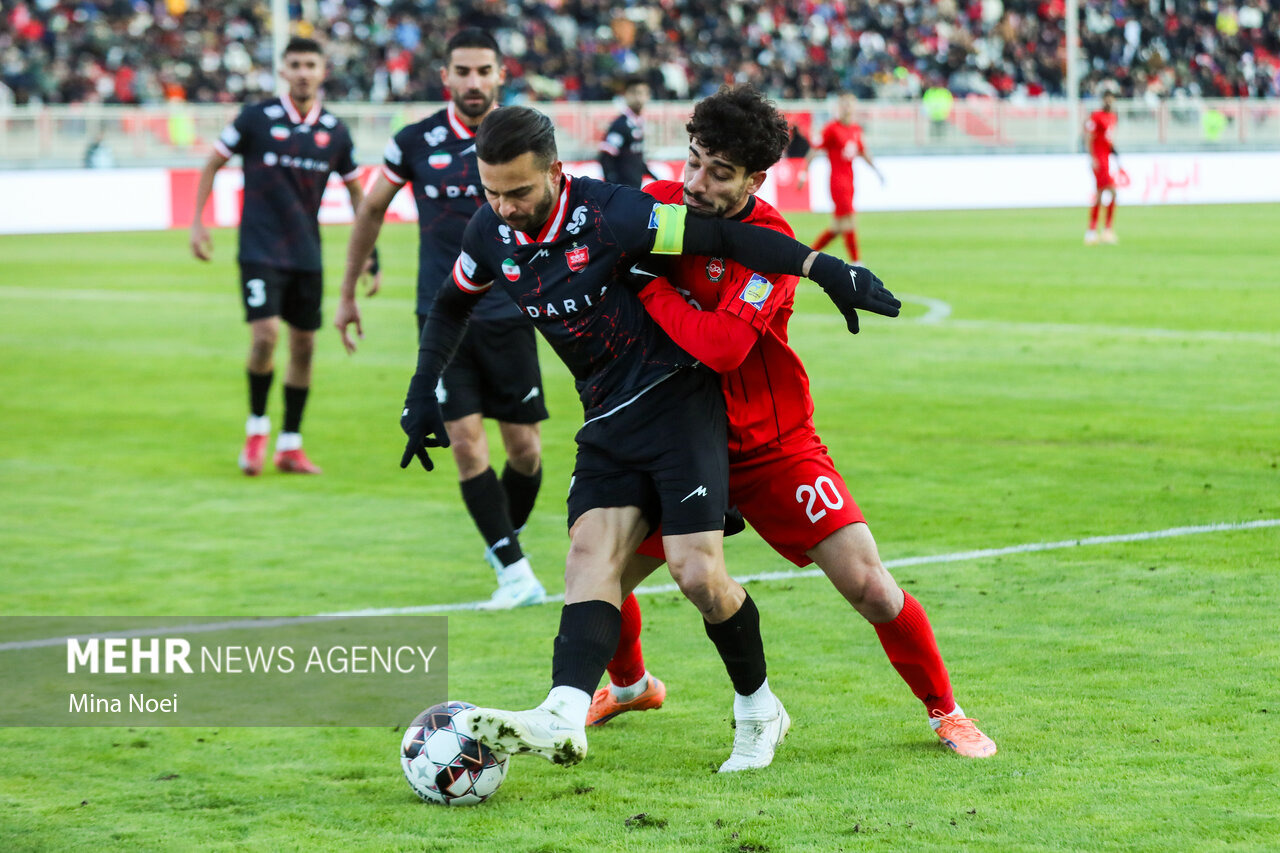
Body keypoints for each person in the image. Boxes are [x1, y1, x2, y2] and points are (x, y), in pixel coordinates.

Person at [398, 106, 901, 773]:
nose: (504, 206)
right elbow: (453, 300)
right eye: (491, 191)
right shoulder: (490, 231)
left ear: (553, 170)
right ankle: (563, 710)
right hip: (606, 416)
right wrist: (422, 388)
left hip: (678, 402)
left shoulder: (613, 214)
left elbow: (725, 240)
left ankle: (758, 707)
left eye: (517, 191)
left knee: (698, 573)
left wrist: (821, 266)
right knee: (587, 555)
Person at [588, 85, 997, 760]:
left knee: (868, 582)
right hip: (678, 443)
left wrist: (647, 283)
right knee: (597, 576)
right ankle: (631, 683)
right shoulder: (659, 206)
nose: (695, 181)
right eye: (692, 160)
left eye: (718, 173)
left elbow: (722, 346)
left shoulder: (769, 241)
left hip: (769, 441)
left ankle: (946, 711)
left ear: (754, 178)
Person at [336, 29, 549, 610]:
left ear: (501, 74)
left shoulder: (525, 138)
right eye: (463, 71)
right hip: (443, 313)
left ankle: (502, 540)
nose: (473, 82)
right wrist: (349, 288)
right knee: (465, 440)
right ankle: (514, 572)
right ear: (445, 78)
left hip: (510, 310)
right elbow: (373, 206)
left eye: (484, 71)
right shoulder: (415, 140)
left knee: (526, 451)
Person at [190, 36, 375, 476]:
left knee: (305, 346)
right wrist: (198, 221)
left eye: (311, 64)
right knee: (265, 336)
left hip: (306, 254)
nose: (304, 72)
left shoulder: (334, 130)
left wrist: (370, 253)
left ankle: (290, 444)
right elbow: (213, 162)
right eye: (295, 64)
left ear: (322, 70)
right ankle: (257, 429)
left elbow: (356, 193)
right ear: (283, 71)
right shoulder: (255, 119)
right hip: (258, 249)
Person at [800, 92, 883, 263]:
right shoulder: (832, 129)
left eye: (850, 104)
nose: (847, 108)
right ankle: (857, 262)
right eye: (844, 104)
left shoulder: (855, 129)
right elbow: (815, 150)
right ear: (839, 107)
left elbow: (863, 152)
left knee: (838, 227)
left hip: (850, 181)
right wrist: (803, 171)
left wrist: (876, 171)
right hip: (838, 182)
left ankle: (806, 256)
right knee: (850, 220)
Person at [597, 75, 656, 188]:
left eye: (643, 93)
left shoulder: (639, 123)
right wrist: (612, 187)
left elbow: (633, 157)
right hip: (623, 190)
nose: (639, 98)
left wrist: (653, 176)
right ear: (626, 95)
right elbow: (606, 156)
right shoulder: (621, 124)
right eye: (635, 93)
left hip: (634, 187)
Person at [1084, 87, 1120, 246]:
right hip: (1099, 160)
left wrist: (1114, 150)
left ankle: (1094, 231)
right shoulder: (1096, 116)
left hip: (1107, 158)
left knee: (1100, 194)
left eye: (1111, 99)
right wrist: (1092, 157)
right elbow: (1088, 137)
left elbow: (1109, 138)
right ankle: (1104, 230)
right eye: (1107, 99)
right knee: (1111, 191)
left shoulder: (1113, 117)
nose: (1109, 102)